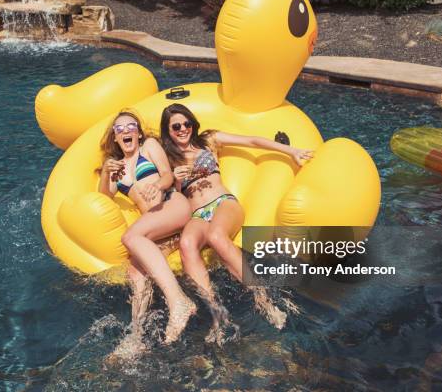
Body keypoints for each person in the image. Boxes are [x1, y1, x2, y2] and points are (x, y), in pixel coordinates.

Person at [159, 103, 313, 335]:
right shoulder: (168, 159)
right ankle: (216, 314)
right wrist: (176, 181)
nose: (183, 129)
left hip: (223, 203)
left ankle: (263, 300)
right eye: (176, 126)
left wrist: (290, 151)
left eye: (186, 123)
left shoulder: (208, 141)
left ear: (193, 124)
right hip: (198, 213)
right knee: (187, 244)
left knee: (216, 235)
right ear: (168, 131)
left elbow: (251, 141)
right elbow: (170, 196)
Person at [98, 109, 197, 357]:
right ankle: (136, 337)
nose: (126, 131)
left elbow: (166, 174)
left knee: (130, 238)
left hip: (172, 205)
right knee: (135, 271)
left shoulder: (148, 147)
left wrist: (157, 185)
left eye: (131, 126)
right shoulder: (117, 167)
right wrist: (106, 173)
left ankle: (179, 302)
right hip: (157, 227)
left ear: (139, 132)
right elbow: (103, 198)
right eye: (119, 129)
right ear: (115, 137)